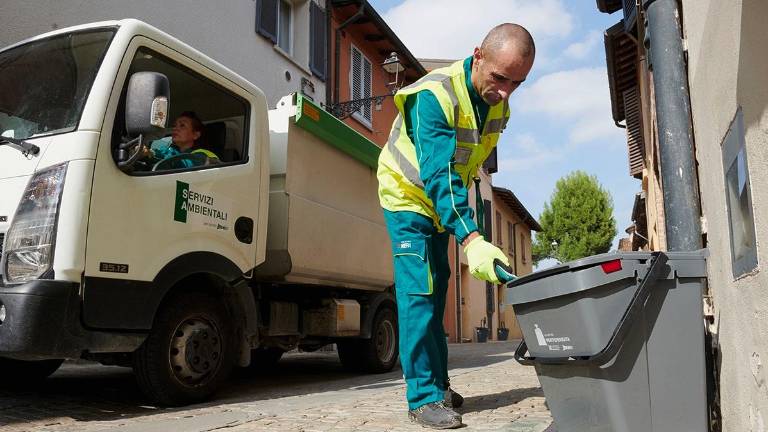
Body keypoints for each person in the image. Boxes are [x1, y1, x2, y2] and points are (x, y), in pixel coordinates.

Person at [376, 23, 535, 429]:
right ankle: (422, 397)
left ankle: (439, 386)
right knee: (419, 293)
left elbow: (468, 172)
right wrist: (472, 235)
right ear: (477, 55)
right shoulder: (434, 96)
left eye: (517, 83)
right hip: (407, 197)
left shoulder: (498, 105)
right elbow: (440, 174)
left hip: (440, 205)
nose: (505, 92)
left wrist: (474, 229)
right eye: (500, 78)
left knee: (440, 286)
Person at [143, 111, 219, 170]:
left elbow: (184, 163)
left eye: (182, 125)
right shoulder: (169, 150)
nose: (175, 128)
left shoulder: (202, 155)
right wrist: (145, 152)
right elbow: (159, 153)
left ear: (196, 135)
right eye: (174, 126)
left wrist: (150, 155)